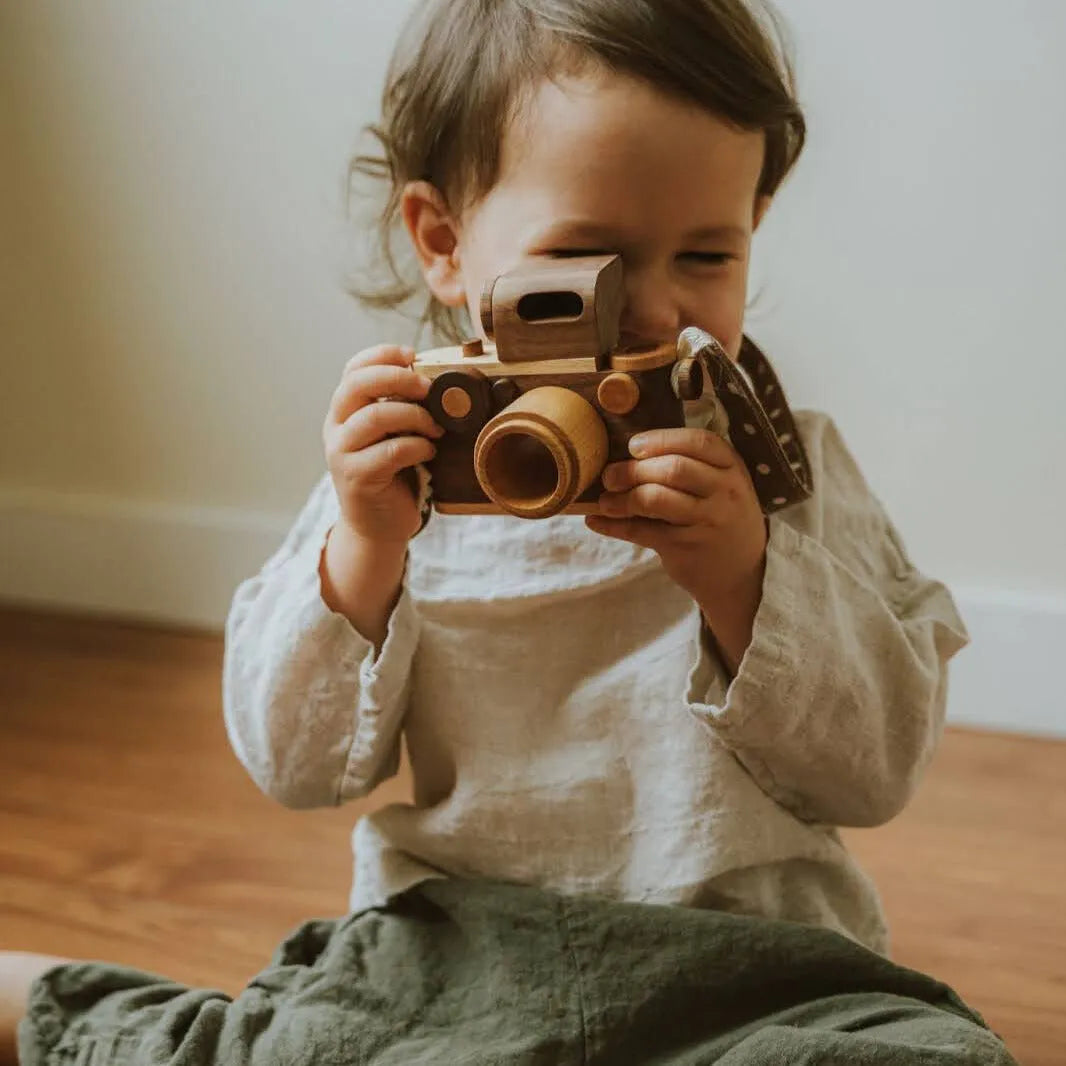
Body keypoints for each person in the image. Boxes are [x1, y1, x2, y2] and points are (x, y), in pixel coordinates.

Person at [2, 1, 1017, 1062]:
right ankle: (75, 1009)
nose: (660, 312)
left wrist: (747, 581)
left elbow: (876, 769)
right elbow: (296, 766)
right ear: (444, 243)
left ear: (755, 217)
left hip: (749, 971)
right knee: (316, 1041)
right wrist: (364, 553)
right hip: (458, 963)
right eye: (588, 260)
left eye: (708, 255)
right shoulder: (402, 473)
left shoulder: (779, 469)